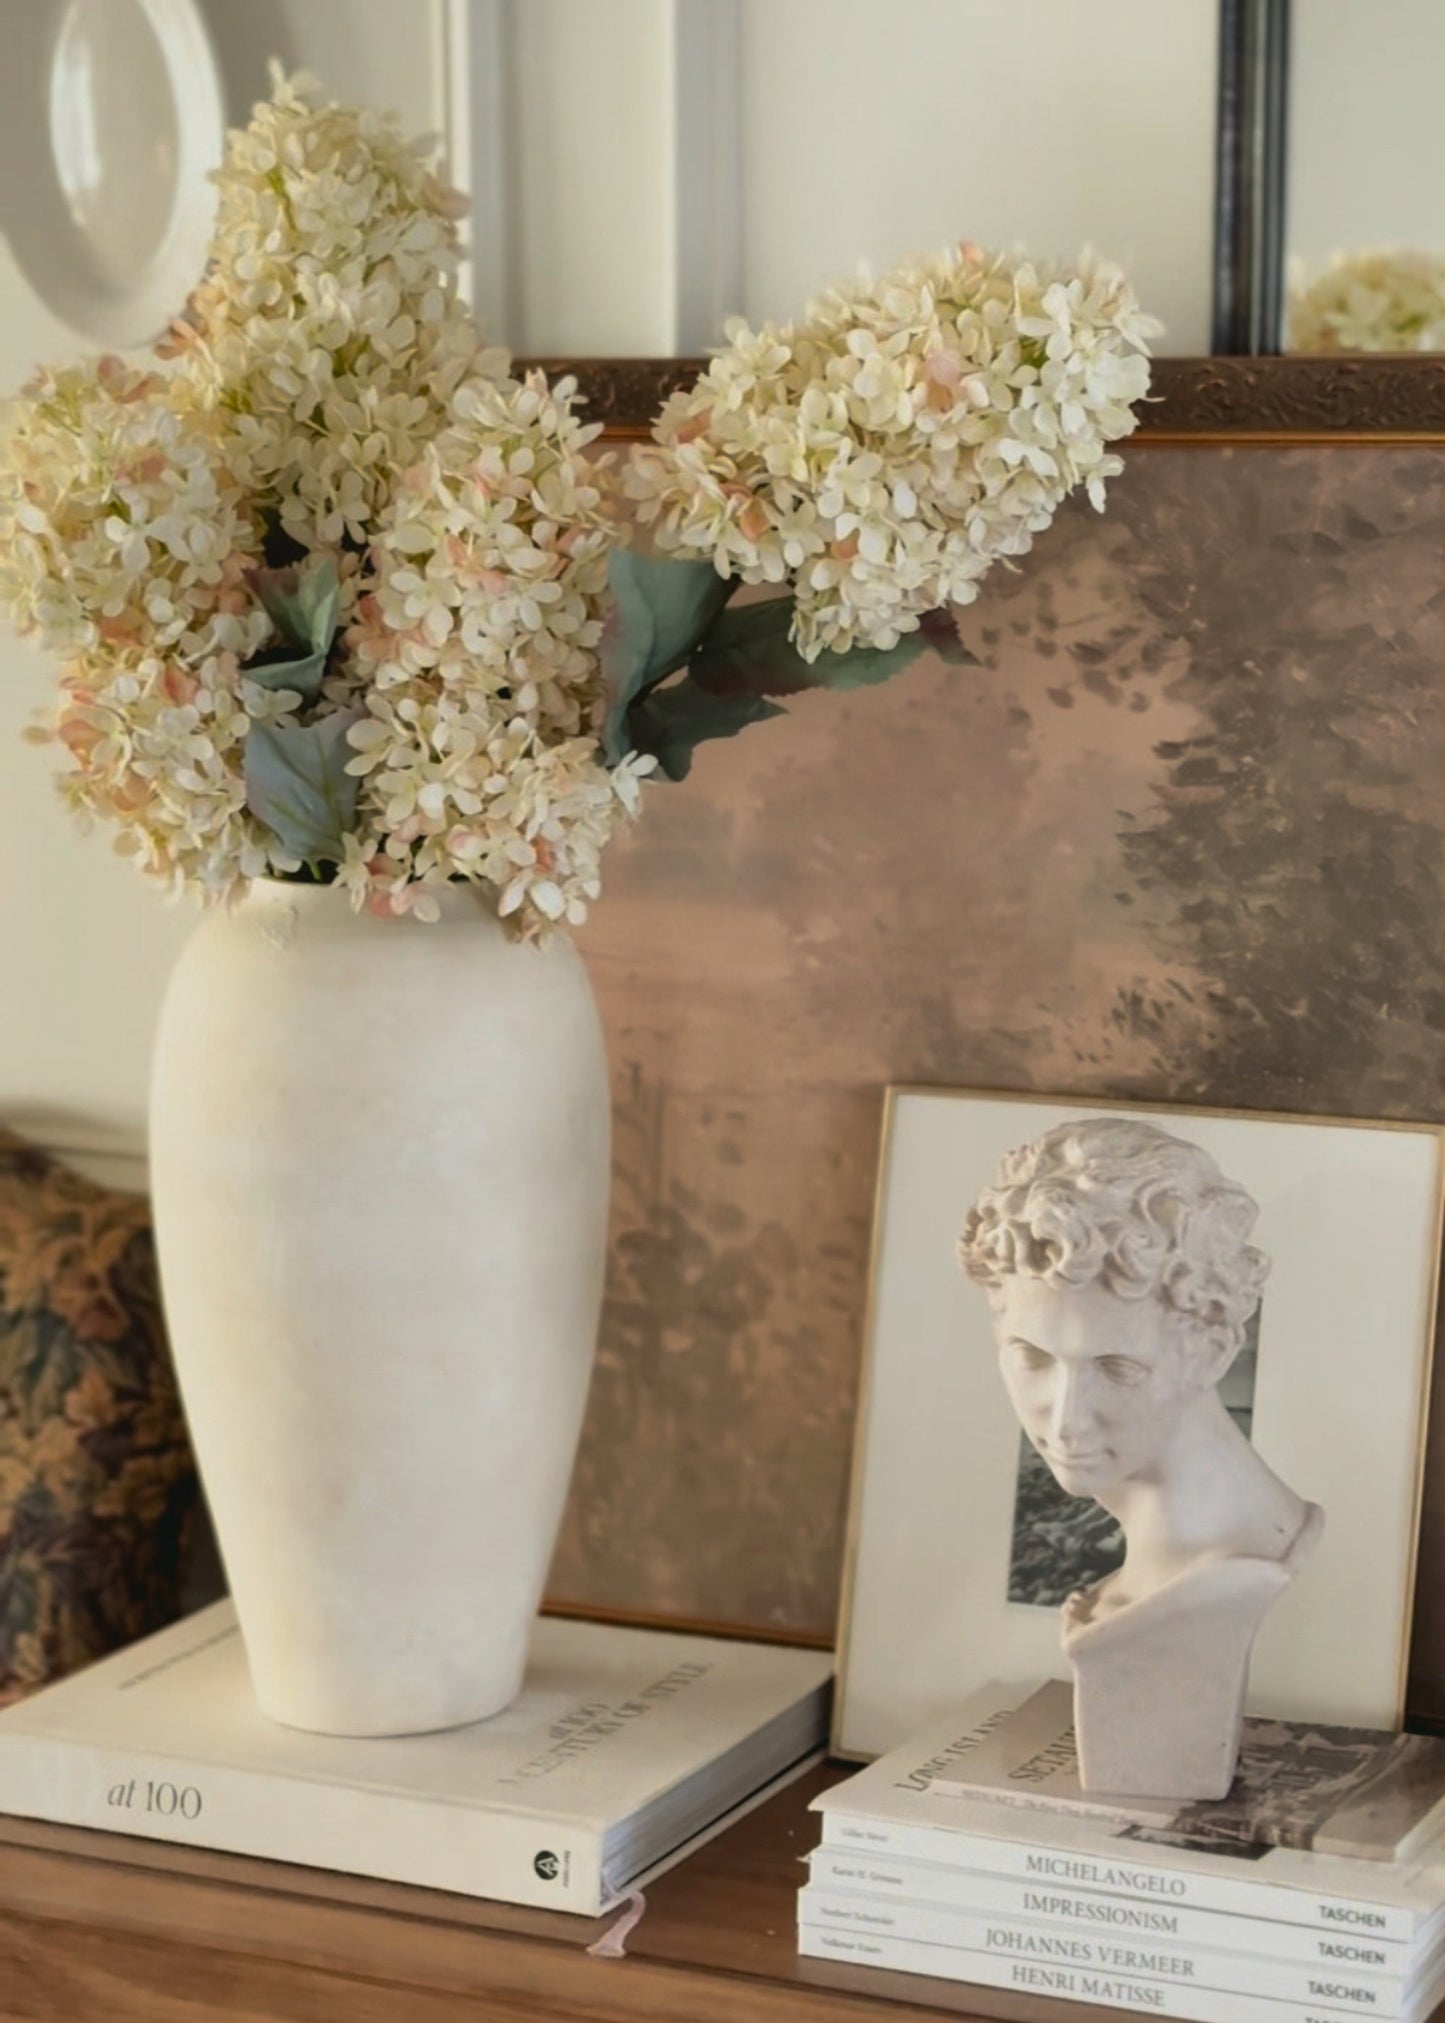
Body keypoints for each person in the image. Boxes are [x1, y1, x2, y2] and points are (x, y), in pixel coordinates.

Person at [959, 1116, 1322, 1799]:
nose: (1065, 1419)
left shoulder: (1224, 1569)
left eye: (1117, 1368)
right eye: (1032, 1358)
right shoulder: (1187, 1548)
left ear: (1210, 1353)